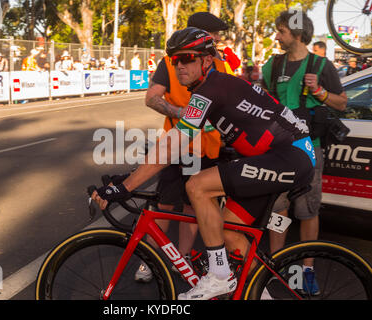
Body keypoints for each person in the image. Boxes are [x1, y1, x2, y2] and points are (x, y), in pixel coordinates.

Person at [92, 27, 316, 300]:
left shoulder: (213, 86)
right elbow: (181, 145)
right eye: (175, 60)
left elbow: (174, 143)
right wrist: (132, 174)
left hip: (290, 156)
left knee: (197, 186)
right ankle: (262, 294)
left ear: (206, 61)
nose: (179, 66)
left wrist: (125, 187)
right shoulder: (208, 90)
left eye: (187, 58)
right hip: (276, 157)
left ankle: (219, 275)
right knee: (230, 232)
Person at [133, 13, 234, 284]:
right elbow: (152, 98)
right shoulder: (170, 61)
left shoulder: (222, 66)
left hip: (207, 150)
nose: (219, 39)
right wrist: (184, 113)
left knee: (193, 208)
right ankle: (149, 259)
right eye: (215, 34)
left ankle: (183, 258)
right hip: (177, 145)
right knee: (163, 203)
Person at [262, 10, 347, 296]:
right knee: (278, 210)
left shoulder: (322, 65)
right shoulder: (271, 66)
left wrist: (320, 92)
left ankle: (307, 270)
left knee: (308, 210)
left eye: (281, 31)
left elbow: (342, 104)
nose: (277, 36)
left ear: (297, 33)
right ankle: (276, 265)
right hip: (276, 150)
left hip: (310, 149)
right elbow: (261, 102)